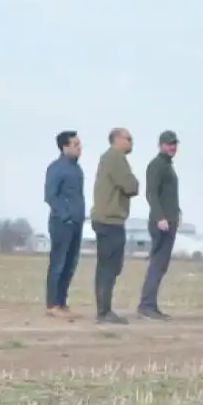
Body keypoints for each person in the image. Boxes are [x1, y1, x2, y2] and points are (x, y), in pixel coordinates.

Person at [89, 127, 140, 324]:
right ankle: (104, 311)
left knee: (109, 266)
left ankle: (104, 310)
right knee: (109, 267)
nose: (131, 143)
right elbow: (131, 186)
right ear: (117, 139)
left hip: (106, 219)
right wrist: (133, 181)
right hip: (110, 220)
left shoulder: (109, 157)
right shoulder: (115, 157)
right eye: (128, 138)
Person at [138, 130, 181, 320]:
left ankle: (150, 305)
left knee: (161, 265)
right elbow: (151, 193)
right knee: (157, 264)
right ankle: (146, 305)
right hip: (161, 223)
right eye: (169, 144)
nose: (172, 147)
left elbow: (167, 194)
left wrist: (176, 212)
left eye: (174, 144)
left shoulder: (167, 166)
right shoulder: (157, 165)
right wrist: (160, 217)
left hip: (169, 220)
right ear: (161, 145)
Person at [43, 130, 86, 318]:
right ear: (65, 146)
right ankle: (52, 304)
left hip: (77, 223)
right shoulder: (56, 168)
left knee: (70, 264)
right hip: (62, 223)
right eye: (76, 144)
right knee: (58, 263)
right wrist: (65, 215)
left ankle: (62, 301)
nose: (80, 148)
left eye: (79, 144)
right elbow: (50, 195)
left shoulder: (77, 168)